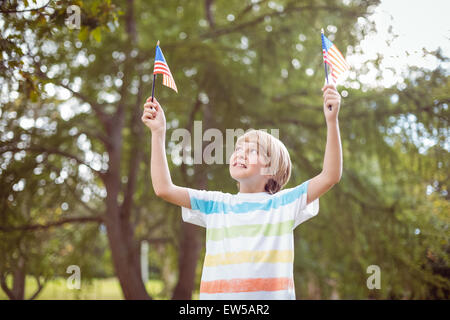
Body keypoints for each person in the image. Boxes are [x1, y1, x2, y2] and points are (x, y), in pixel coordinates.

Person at [141, 84, 342, 299]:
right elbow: (164, 189)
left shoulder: (284, 205)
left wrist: (332, 121)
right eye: (237, 149)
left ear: (273, 169)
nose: (240, 154)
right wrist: (158, 133)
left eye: (252, 151)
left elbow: (330, 175)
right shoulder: (215, 204)